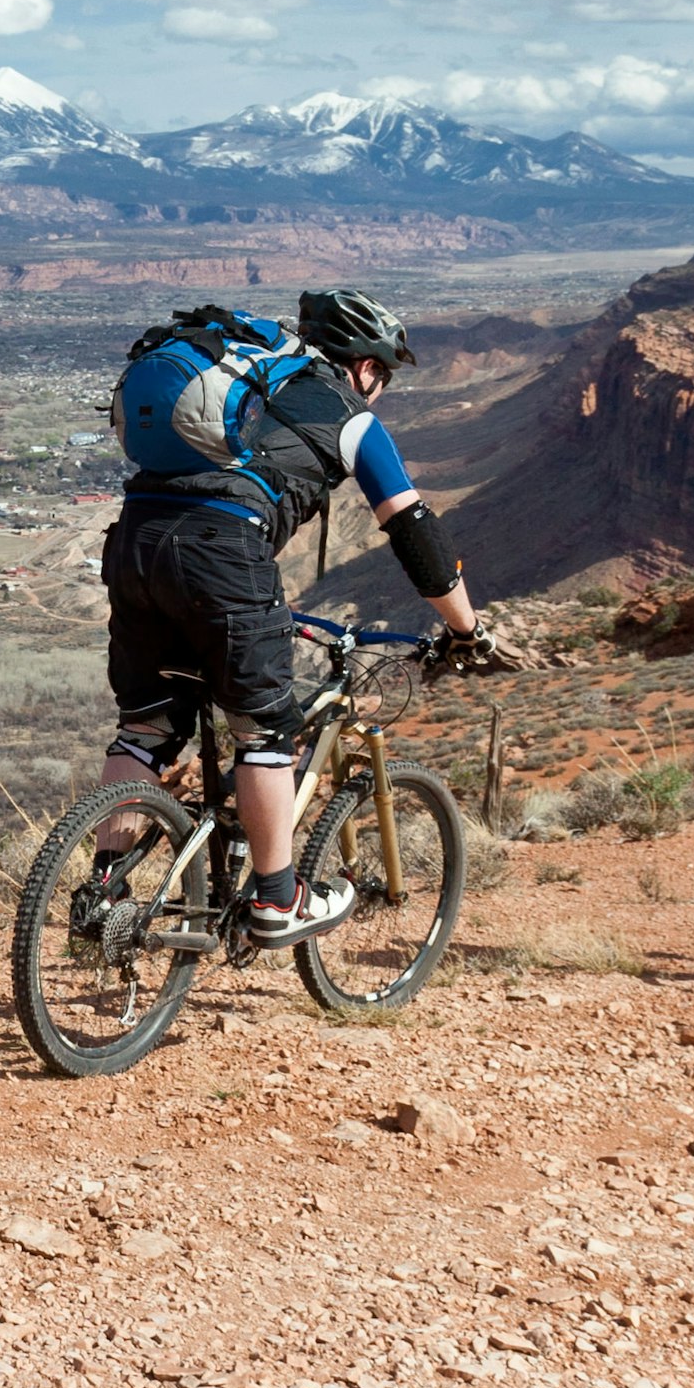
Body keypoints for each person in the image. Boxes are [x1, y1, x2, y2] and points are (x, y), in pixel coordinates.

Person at [93, 287, 509, 943]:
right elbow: (418, 537)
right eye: (385, 374)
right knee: (265, 736)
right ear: (365, 367)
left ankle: (102, 890)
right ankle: (278, 900)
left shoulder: (257, 373)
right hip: (222, 557)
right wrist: (466, 629)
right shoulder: (352, 417)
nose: (382, 388)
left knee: (145, 729)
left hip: (134, 544)